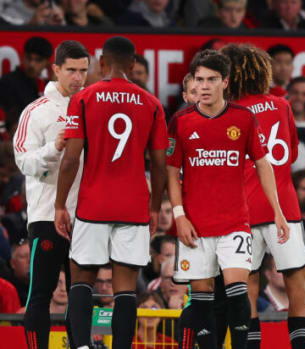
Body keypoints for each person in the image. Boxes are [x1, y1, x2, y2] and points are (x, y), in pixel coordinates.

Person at [167, 49, 289, 349]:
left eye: (211, 79)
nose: (204, 86)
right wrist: (179, 215)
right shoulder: (181, 121)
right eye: (199, 79)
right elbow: (171, 172)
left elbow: (263, 164)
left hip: (235, 222)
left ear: (225, 81)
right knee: (202, 298)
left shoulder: (244, 119)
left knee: (238, 290)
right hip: (195, 225)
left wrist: (278, 211)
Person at [55, 36, 168, 349]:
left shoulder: (84, 98)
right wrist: (155, 207)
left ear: (102, 62)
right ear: (133, 64)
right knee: (126, 290)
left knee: (81, 281)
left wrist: (60, 205)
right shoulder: (152, 103)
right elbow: (159, 165)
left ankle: (80, 346)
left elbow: (71, 159)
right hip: (132, 207)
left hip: (93, 204)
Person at [224, 44, 305, 349]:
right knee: (297, 285)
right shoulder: (282, 105)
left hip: (244, 210)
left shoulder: (229, 112)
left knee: (248, 285)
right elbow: (289, 154)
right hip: (283, 207)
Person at [15, 40, 89, 349]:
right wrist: (54, 147)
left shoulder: (91, 107)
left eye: (84, 70)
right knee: (41, 293)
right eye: (71, 70)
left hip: (85, 216)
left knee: (80, 294)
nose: (78, 77)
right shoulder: (36, 112)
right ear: (56, 69)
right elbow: (23, 161)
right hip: (47, 215)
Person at [0, 36, 52, 129]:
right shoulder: (7, 83)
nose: (32, 64)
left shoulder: (49, 86)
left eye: (38, 60)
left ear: (47, 63)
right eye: (29, 58)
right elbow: (14, 122)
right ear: (23, 57)